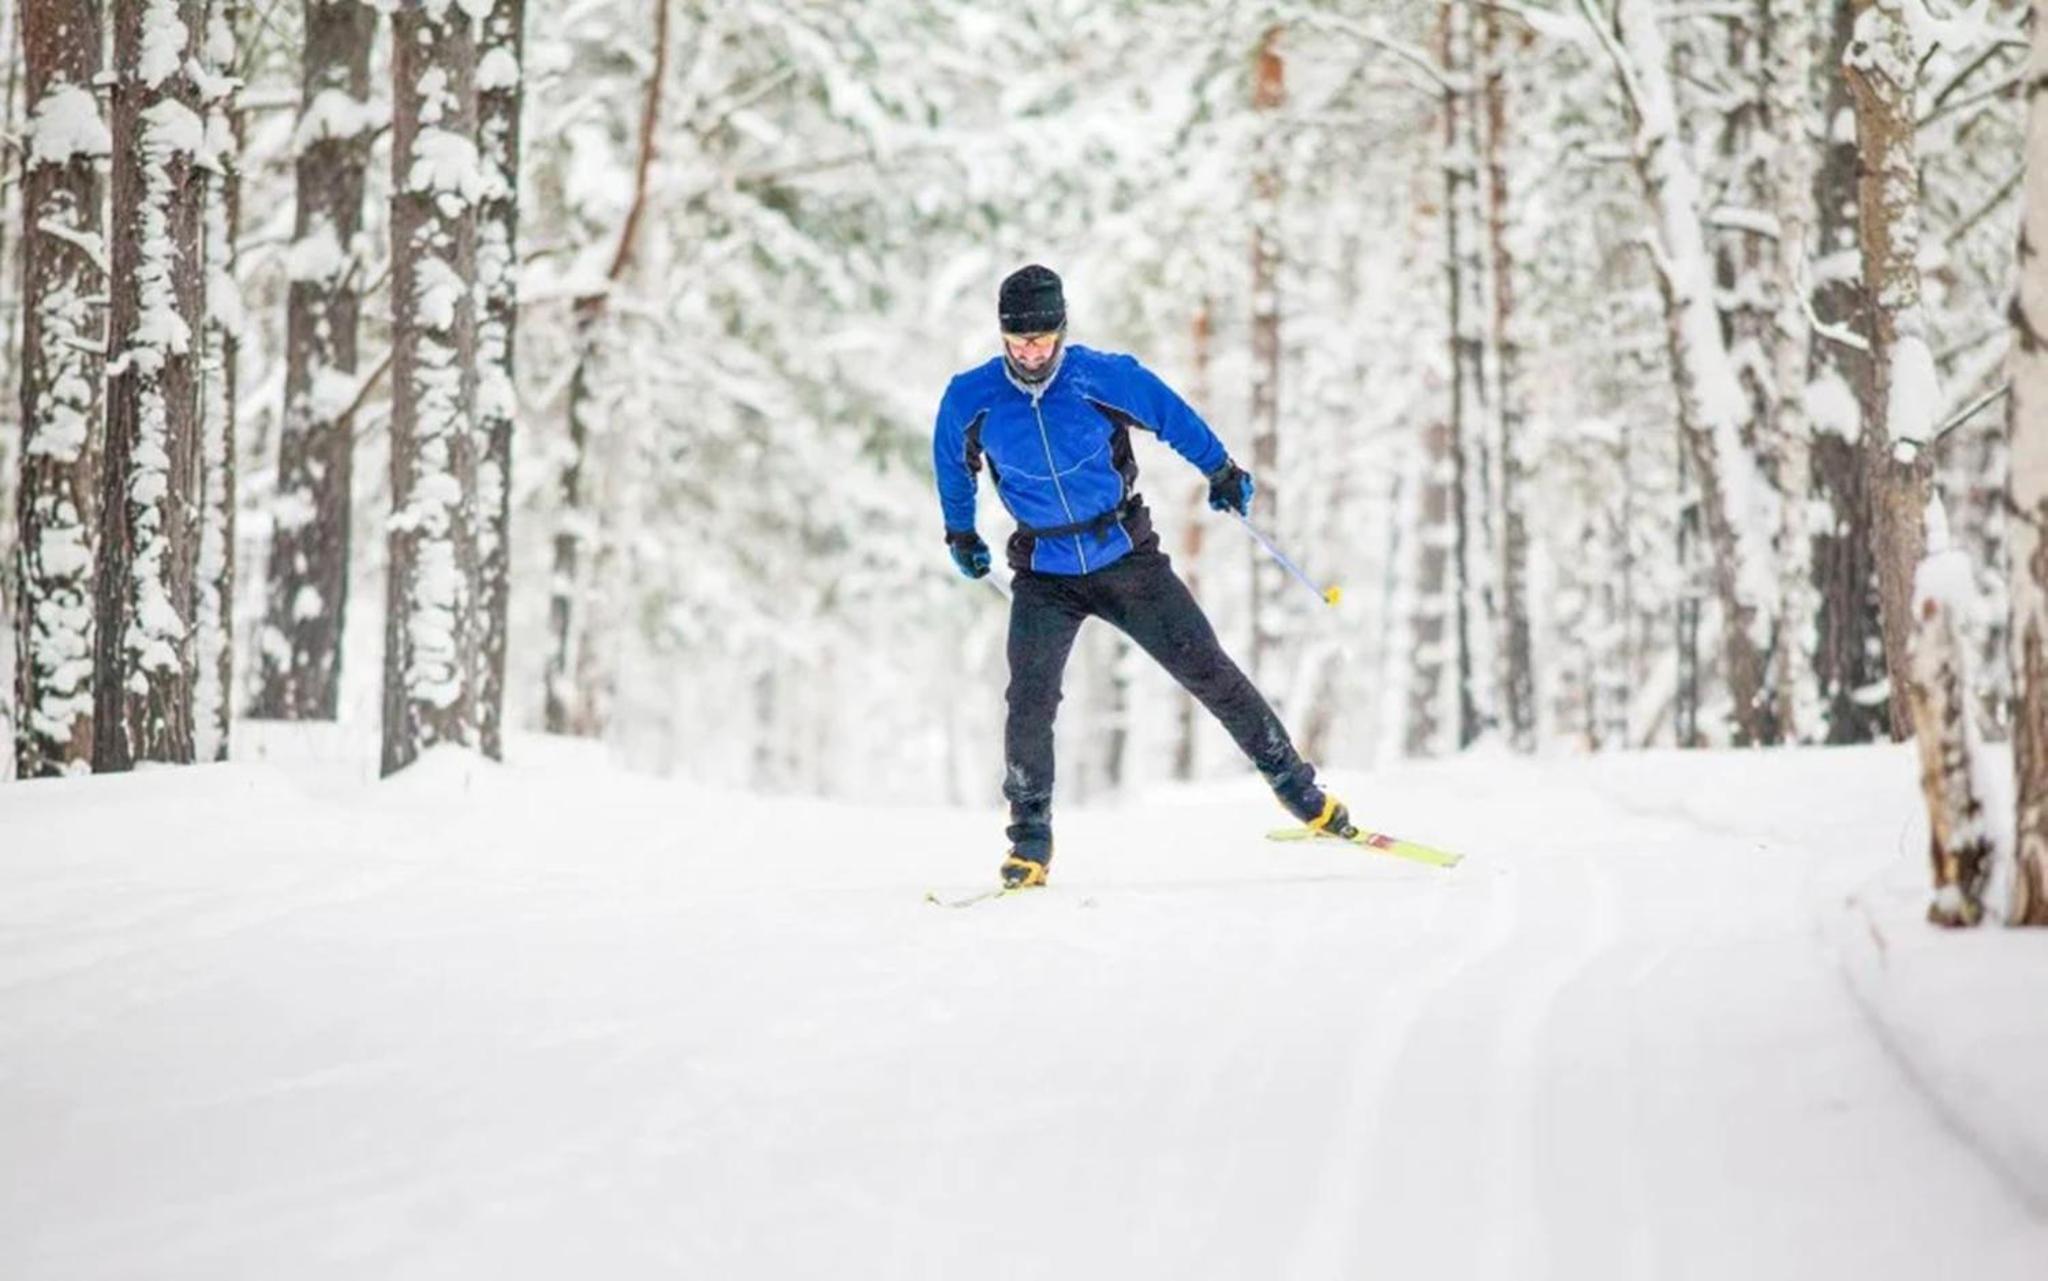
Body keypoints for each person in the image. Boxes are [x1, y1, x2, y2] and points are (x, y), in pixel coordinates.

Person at [931, 263, 1359, 889]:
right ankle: (1029, 843)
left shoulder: (1102, 377)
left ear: (1062, 331)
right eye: (1019, 342)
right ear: (1002, 337)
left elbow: (1172, 416)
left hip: (1125, 555)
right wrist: (960, 533)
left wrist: (1221, 470)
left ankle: (1302, 793)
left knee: (1208, 669)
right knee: (1029, 699)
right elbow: (952, 465)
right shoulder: (971, 399)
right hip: (1044, 572)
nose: (1032, 353)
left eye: (1043, 340)